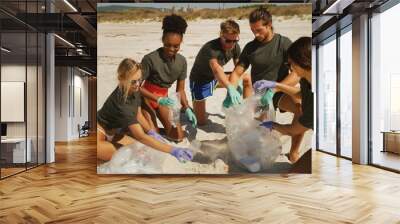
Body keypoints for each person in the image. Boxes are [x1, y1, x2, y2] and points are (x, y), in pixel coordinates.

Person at [97, 58, 193, 162]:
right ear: (121, 79)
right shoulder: (122, 105)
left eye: (139, 80)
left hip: (113, 133)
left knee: (141, 151)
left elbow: (138, 114)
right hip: (98, 133)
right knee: (126, 156)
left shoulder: (134, 89)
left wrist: (151, 132)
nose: (138, 84)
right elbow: (141, 136)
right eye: (133, 82)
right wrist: (173, 150)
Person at [223, 6, 299, 110]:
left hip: (280, 92)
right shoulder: (250, 47)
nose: (256, 34)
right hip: (259, 96)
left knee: (303, 110)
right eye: (253, 30)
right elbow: (236, 73)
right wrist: (230, 91)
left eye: (259, 30)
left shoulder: (284, 43)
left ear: (269, 25)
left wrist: (274, 89)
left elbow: (297, 73)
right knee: (262, 125)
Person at [254, 37, 313, 163]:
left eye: (290, 64)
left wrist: (272, 125)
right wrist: (275, 85)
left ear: (302, 62)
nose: (290, 69)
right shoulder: (306, 79)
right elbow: (301, 94)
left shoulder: (314, 107)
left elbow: (292, 130)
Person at [140, 14, 196, 142]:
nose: (171, 49)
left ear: (181, 42)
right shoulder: (150, 59)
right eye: (168, 45)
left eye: (176, 46)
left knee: (178, 137)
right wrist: (157, 99)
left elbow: (180, 90)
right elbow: (136, 86)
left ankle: (150, 128)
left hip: (163, 99)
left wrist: (186, 108)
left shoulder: (182, 61)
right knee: (153, 138)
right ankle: (144, 126)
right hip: (146, 99)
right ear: (162, 40)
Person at [189, 19, 252, 125]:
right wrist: (230, 88)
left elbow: (238, 68)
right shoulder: (211, 48)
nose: (231, 44)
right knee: (201, 122)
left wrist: (238, 83)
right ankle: (189, 108)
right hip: (201, 81)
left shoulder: (235, 46)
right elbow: (216, 69)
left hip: (217, 79)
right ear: (221, 35)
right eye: (228, 41)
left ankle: (247, 113)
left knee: (247, 78)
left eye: (235, 40)